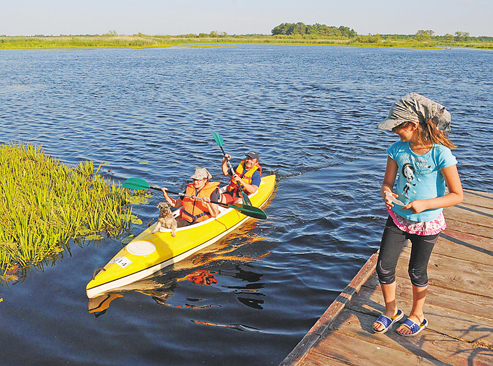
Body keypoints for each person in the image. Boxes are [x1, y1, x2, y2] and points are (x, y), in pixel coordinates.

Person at [372, 93, 463, 336]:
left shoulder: (440, 154)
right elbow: (387, 183)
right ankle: (391, 311)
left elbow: (457, 195)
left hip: (427, 223)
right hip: (398, 218)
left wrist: (425, 204)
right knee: (384, 266)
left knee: (416, 270)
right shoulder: (396, 149)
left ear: (412, 125)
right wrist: (386, 193)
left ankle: (417, 315)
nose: (394, 132)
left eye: (397, 127)